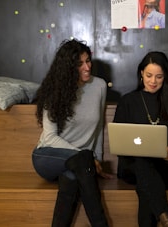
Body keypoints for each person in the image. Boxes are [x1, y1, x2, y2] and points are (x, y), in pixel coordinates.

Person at [32, 39, 111, 227]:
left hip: (80, 165)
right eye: (80, 64)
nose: (87, 67)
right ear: (68, 68)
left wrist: (97, 158)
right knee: (81, 162)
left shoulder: (99, 86)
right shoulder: (54, 93)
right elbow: (50, 137)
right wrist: (87, 158)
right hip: (47, 156)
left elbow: (99, 126)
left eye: (88, 61)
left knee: (74, 176)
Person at [113, 51, 168, 227]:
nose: (153, 81)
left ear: (165, 77)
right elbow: (118, 139)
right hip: (133, 165)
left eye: (159, 77)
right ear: (141, 73)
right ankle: (165, 217)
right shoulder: (128, 101)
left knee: (146, 186)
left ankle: (165, 219)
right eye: (149, 75)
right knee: (142, 162)